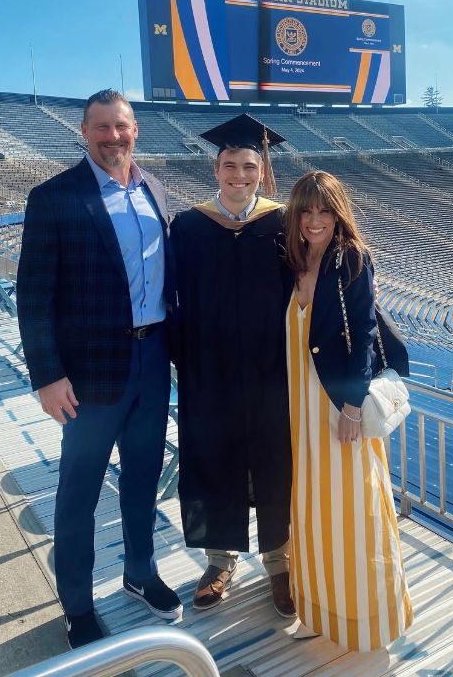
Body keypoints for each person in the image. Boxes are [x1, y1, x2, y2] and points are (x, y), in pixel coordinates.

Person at [16, 89, 182, 650]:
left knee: (141, 478)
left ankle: (139, 572)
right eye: (102, 127)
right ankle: (78, 606)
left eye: (123, 127)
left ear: (136, 131)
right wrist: (46, 375)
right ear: (84, 132)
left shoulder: (154, 189)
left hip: (152, 358)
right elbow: (33, 296)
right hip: (88, 375)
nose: (114, 137)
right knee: (78, 493)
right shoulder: (54, 197)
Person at [170, 114, 295, 617]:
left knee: (276, 463)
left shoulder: (283, 222)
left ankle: (280, 563)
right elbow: (171, 297)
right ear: (215, 168)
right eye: (229, 165)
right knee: (212, 462)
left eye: (248, 165)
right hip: (211, 372)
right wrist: (187, 359)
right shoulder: (190, 225)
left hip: (273, 372)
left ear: (262, 171)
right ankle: (219, 561)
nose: (238, 174)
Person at [283, 171, 413, 650]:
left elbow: (362, 335)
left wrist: (354, 407)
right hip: (300, 405)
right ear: (295, 214)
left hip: (337, 404)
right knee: (312, 508)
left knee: (353, 506)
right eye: (307, 210)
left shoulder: (352, 259)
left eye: (325, 210)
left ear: (338, 213)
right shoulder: (291, 260)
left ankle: (365, 617)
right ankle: (318, 608)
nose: (315, 220)